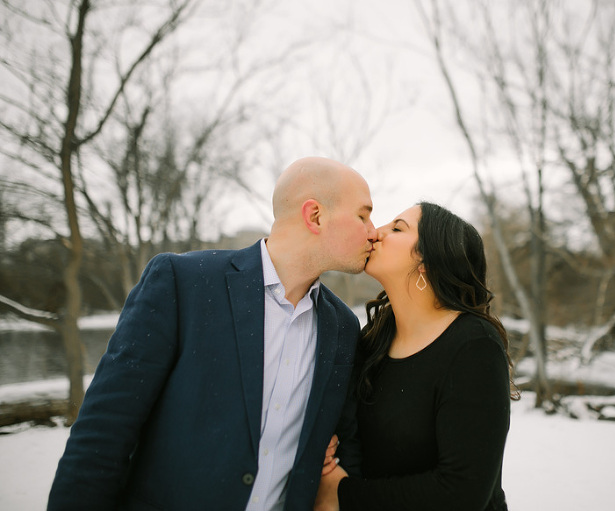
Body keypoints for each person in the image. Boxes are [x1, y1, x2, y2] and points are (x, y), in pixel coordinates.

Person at [48, 157, 378, 511]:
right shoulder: (183, 283)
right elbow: (102, 434)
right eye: (362, 215)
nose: (373, 230)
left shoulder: (342, 326)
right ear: (315, 216)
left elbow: (346, 448)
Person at [315, 202, 516, 511]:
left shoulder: (474, 345)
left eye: (397, 228)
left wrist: (342, 496)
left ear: (428, 261)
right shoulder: (373, 340)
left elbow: (462, 493)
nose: (376, 232)